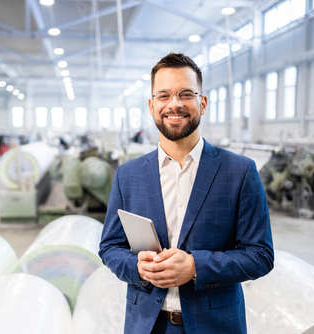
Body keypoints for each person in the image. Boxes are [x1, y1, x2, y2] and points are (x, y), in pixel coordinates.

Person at [99, 52, 274, 334]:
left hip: (215, 326)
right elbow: (109, 248)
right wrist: (137, 267)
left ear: (202, 103)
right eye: (164, 95)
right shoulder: (128, 175)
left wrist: (195, 267)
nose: (175, 104)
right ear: (152, 105)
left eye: (186, 94)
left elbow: (261, 254)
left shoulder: (239, 172)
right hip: (147, 325)